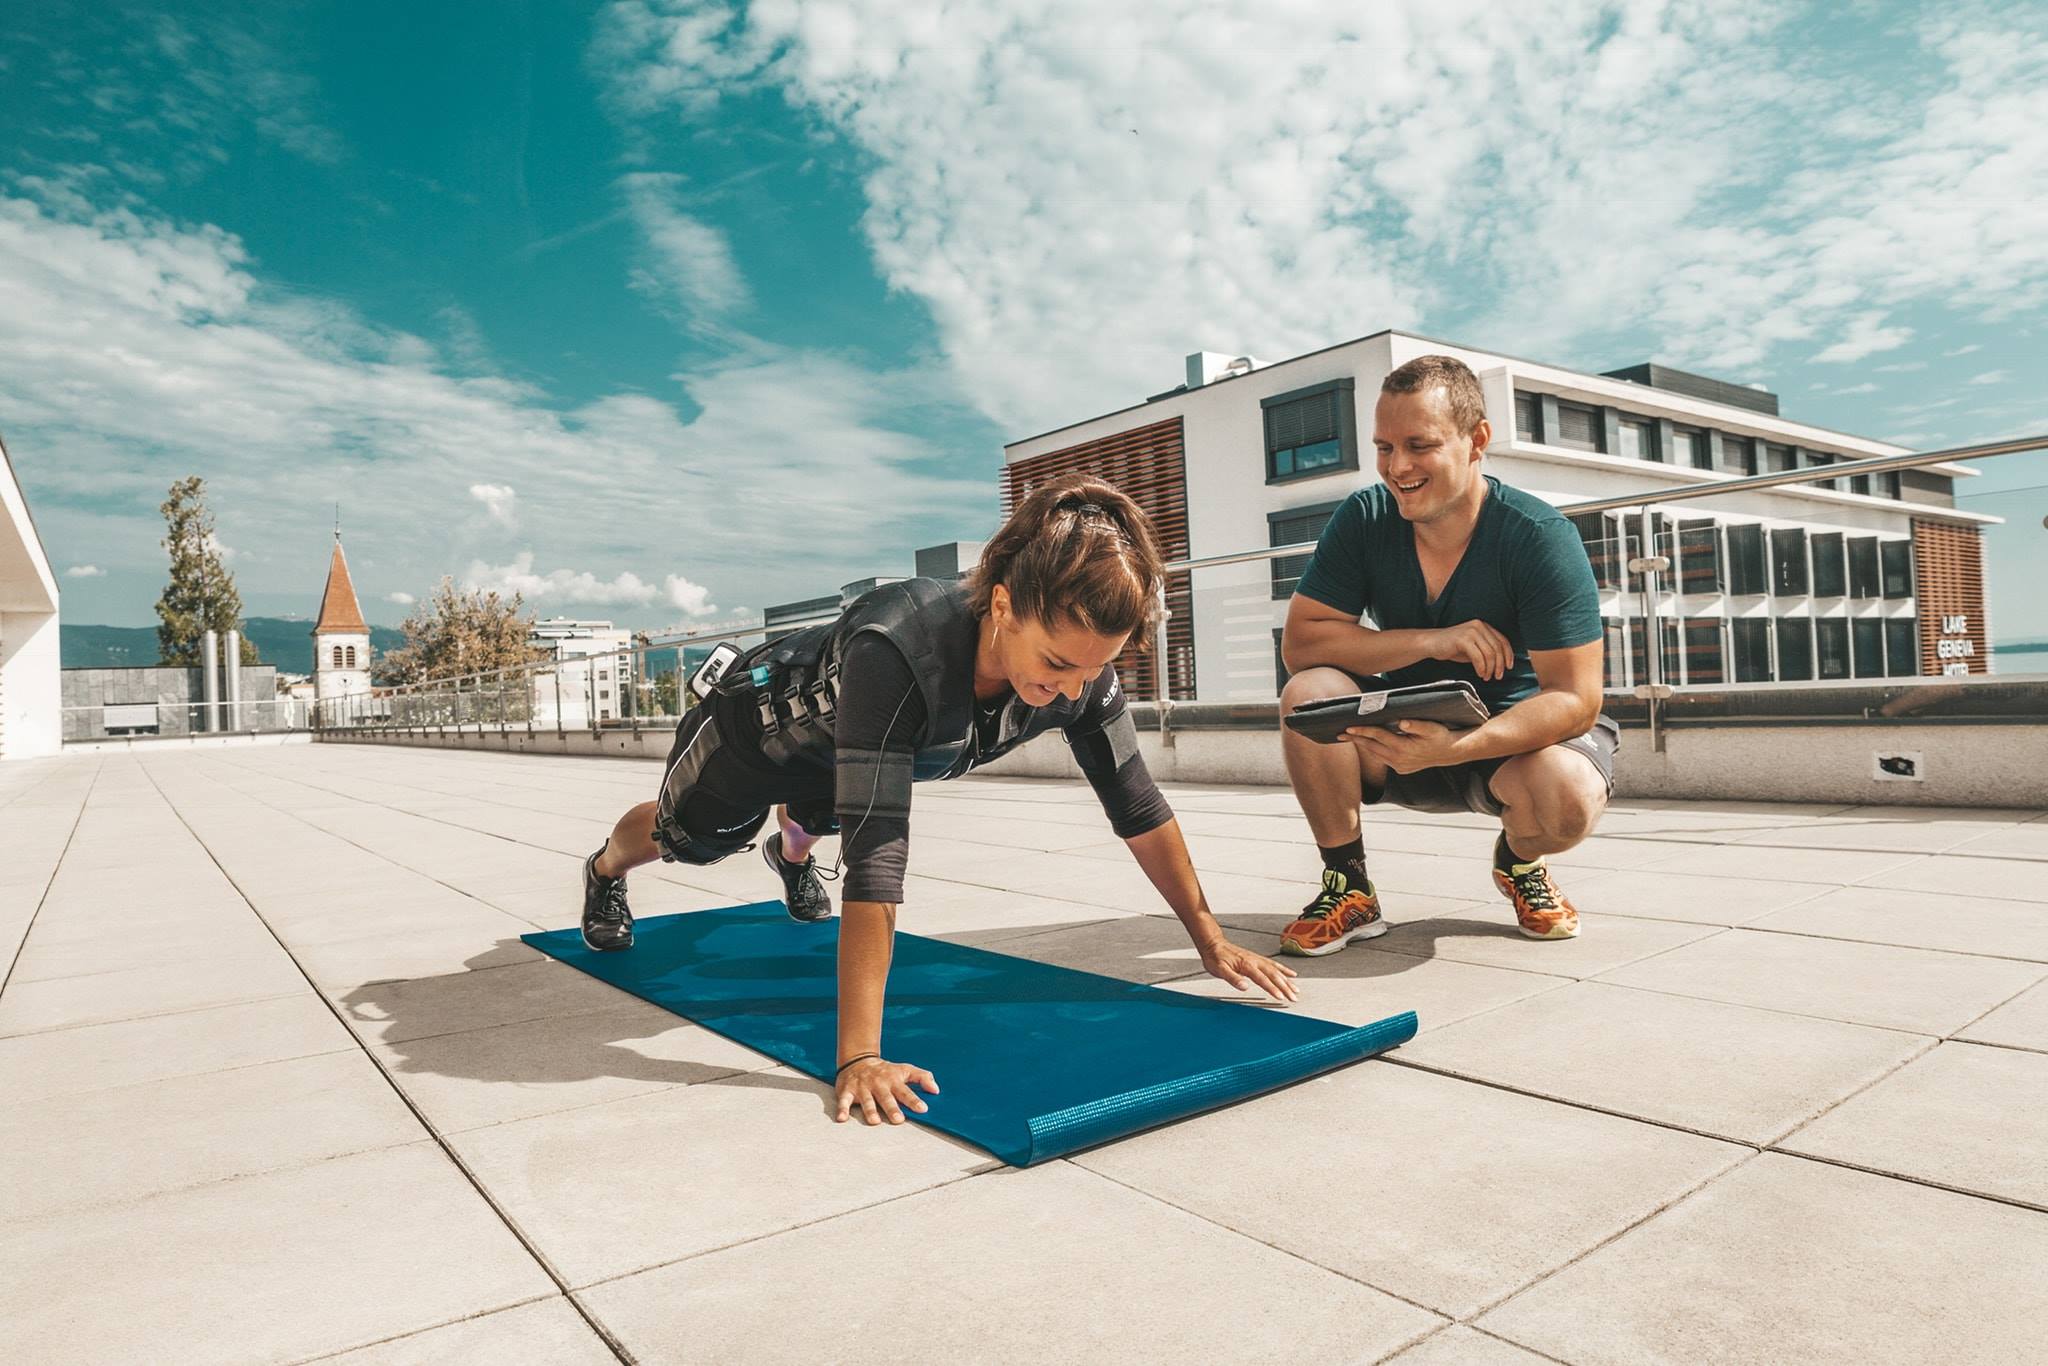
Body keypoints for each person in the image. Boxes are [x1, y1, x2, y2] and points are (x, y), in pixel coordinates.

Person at [582, 473, 1298, 1126]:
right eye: (1056, 663)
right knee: (692, 840)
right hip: (753, 737)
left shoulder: (1081, 677)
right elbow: (878, 858)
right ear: (1003, 605)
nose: (1075, 689)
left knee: (822, 813)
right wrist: (858, 1056)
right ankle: (606, 870)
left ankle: (793, 844)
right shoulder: (896, 646)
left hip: (849, 758)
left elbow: (1138, 808)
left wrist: (1209, 938)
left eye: (1096, 668)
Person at [1275, 354, 1613, 955]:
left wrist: (1460, 746)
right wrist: (1435, 639)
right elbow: (1303, 644)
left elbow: (1576, 699)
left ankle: (1519, 863)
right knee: (1308, 694)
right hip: (1398, 737)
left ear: (1476, 440)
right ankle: (1348, 887)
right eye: (1384, 447)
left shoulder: (1537, 536)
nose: (1397, 467)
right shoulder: (1365, 517)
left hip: (1513, 746)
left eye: (1419, 445)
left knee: (1568, 798)